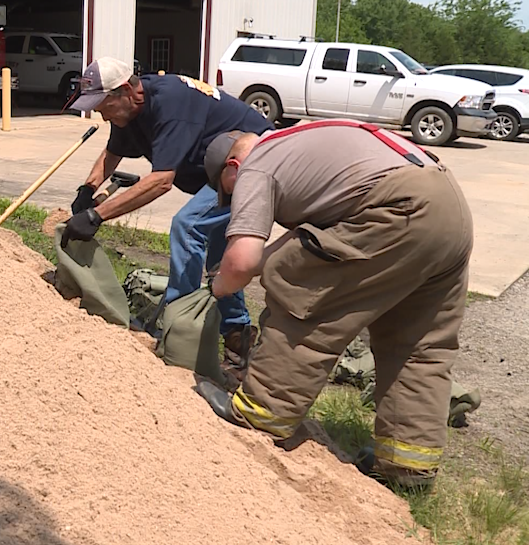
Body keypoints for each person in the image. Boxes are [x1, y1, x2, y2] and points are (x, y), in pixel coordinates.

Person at [195, 120, 473, 489]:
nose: (232, 200)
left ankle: (262, 413)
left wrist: (217, 287)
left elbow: (243, 261)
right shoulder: (299, 147)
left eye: (228, 191)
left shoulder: (256, 165)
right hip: (448, 208)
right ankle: (407, 466)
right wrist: (243, 267)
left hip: (400, 206)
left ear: (232, 168)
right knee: (418, 342)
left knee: (302, 295)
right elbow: (300, 241)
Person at [62, 57, 273, 385]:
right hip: (220, 173)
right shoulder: (130, 109)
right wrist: (88, 190)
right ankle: (237, 339)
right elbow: (113, 150)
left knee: (187, 226)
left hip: (252, 163)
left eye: (104, 106)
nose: (102, 115)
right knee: (219, 258)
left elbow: (162, 180)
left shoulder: (170, 104)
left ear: (126, 90)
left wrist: (97, 215)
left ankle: (179, 331)